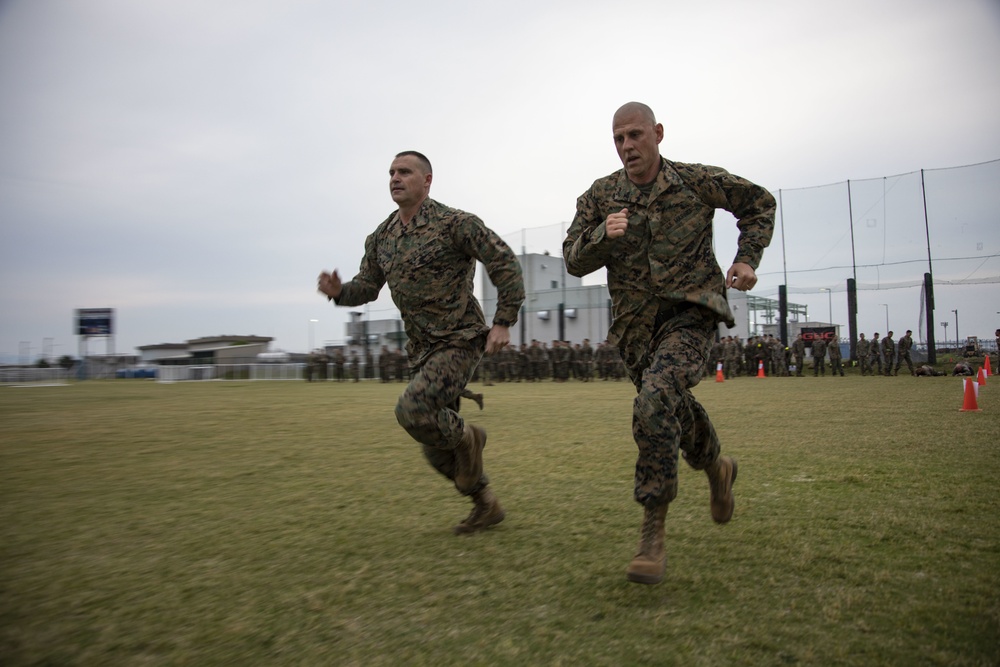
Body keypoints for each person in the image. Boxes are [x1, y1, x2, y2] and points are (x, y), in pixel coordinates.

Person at [563, 102, 775, 585]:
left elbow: (759, 201)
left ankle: (652, 530)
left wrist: (746, 258)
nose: (627, 147)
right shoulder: (600, 197)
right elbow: (573, 260)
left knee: (655, 399)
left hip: (690, 315)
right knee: (669, 406)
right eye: (618, 139)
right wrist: (602, 235)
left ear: (657, 133)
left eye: (635, 135)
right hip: (636, 330)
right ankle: (717, 466)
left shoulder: (695, 181)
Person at [317, 151, 525, 535]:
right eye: (392, 172)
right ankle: (486, 504)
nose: (395, 178)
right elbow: (367, 286)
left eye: (405, 172)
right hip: (422, 350)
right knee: (434, 449)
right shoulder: (381, 237)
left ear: (427, 180)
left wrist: (503, 320)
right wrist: (339, 291)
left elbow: (504, 262)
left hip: (460, 340)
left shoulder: (455, 224)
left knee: (412, 410)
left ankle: (470, 438)